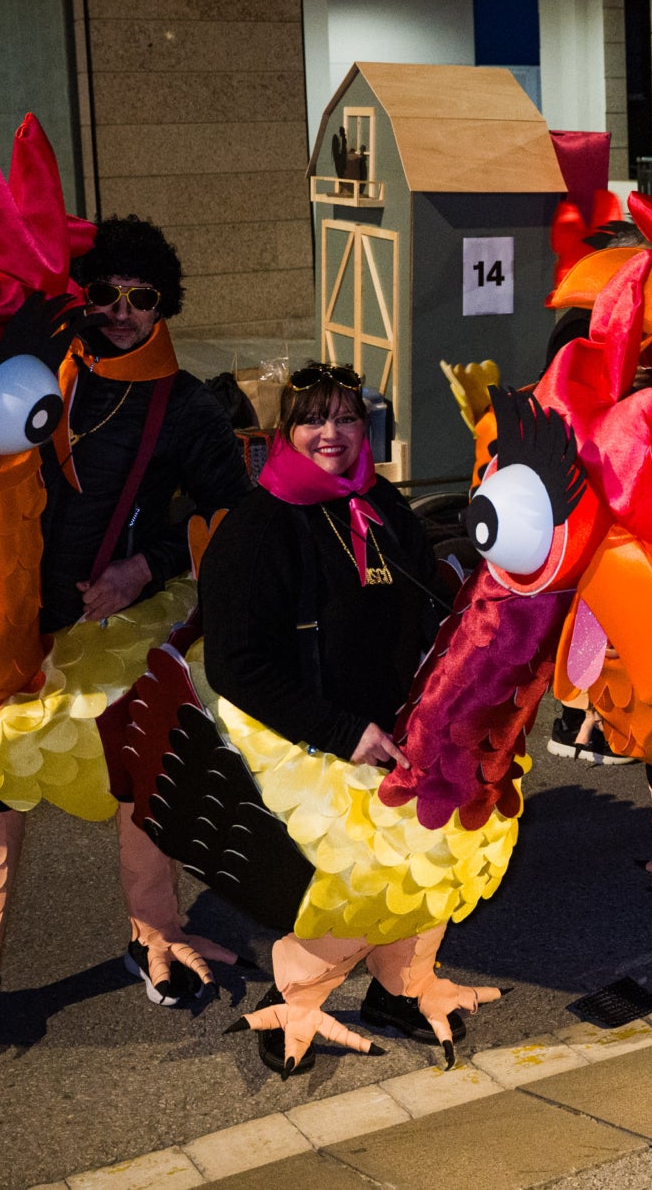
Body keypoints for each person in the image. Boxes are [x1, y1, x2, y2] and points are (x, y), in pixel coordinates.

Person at [199, 365, 467, 1057]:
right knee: (367, 874)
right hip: (311, 736)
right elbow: (234, 666)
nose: (331, 434)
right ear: (284, 431)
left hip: (393, 722)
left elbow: (427, 599)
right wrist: (344, 733)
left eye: (346, 418)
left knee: (432, 850)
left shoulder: (379, 503)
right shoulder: (258, 527)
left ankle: (399, 988)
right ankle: (293, 1000)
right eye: (313, 419)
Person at [48, 218, 254, 1004]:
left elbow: (230, 511)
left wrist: (144, 565)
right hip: (21, 617)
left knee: (140, 778)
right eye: (106, 292)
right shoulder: (42, 376)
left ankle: (155, 931)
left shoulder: (187, 406)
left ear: (164, 304)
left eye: (142, 297)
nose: (121, 311)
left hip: (114, 625)